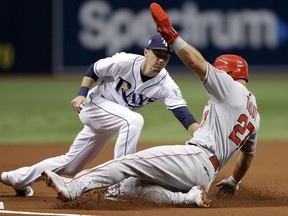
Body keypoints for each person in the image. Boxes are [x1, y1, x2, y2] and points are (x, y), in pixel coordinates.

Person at [41, 2, 260, 208]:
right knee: (128, 187)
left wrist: (170, 34)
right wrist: (233, 181)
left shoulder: (229, 88)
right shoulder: (255, 116)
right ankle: (186, 198)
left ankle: (72, 187)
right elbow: (247, 157)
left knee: (127, 163)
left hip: (195, 158)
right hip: (208, 174)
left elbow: (197, 63)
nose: (218, 74)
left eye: (221, 72)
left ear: (228, 74)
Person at [0, 33, 199, 197]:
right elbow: (94, 69)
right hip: (94, 106)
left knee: (70, 166)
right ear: (146, 52)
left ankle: (15, 178)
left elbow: (183, 115)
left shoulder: (166, 84)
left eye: (166, 56)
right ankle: (121, 185)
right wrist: (81, 94)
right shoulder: (125, 62)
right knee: (133, 121)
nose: (161, 60)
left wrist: (199, 135)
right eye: (157, 54)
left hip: (113, 118)